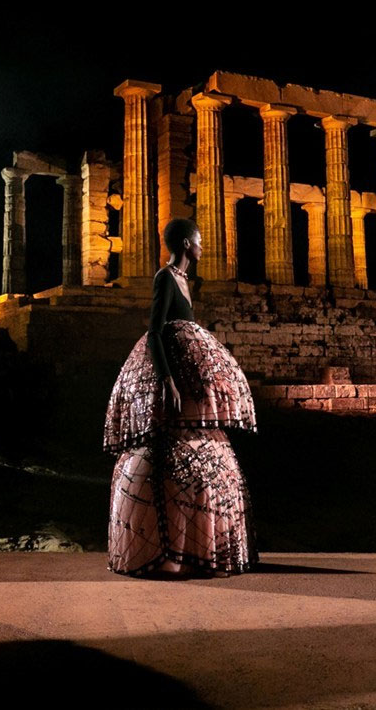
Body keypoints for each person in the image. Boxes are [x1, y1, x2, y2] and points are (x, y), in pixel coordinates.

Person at [103, 218, 257, 577]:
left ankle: (195, 551)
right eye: (199, 241)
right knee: (167, 455)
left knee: (205, 459)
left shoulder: (187, 281)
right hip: (171, 376)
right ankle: (165, 550)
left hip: (190, 381)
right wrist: (166, 381)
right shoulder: (165, 277)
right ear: (187, 243)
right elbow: (155, 331)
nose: (203, 246)